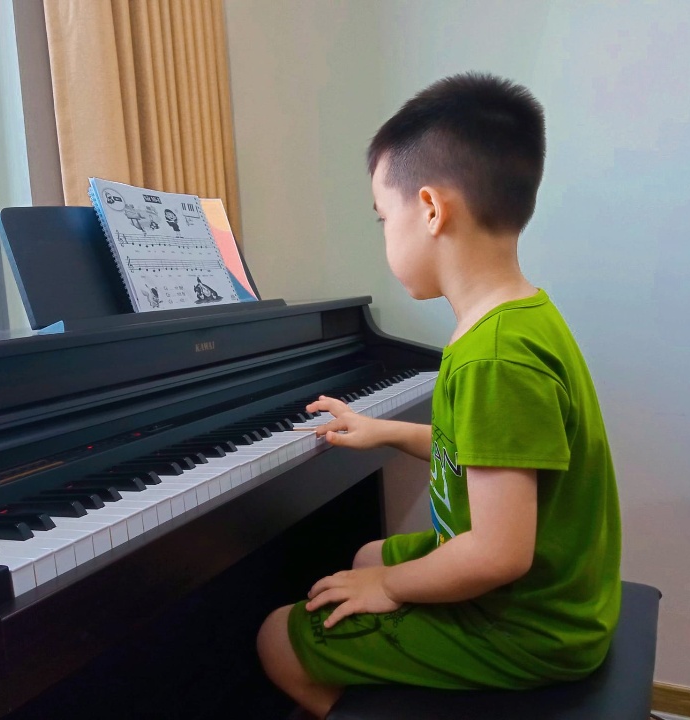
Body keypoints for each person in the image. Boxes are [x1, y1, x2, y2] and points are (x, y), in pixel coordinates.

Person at [256, 72, 621, 719]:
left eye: (382, 217)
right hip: (555, 594)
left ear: (429, 209)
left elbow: (498, 552)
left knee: (277, 639)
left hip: (527, 626)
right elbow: (485, 452)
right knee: (365, 553)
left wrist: (392, 586)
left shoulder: (494, 358)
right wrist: (386, 432)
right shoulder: (518, 318)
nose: (384, 234)